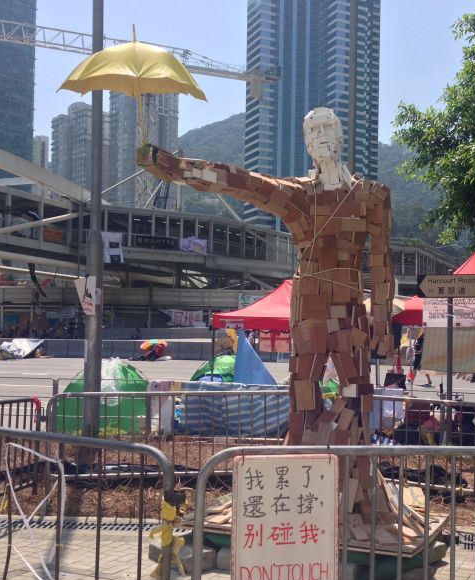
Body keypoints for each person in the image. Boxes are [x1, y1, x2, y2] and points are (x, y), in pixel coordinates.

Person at [139, 106, 394, 449]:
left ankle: (352, 470)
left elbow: (381, 262)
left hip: (348, 305)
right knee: (303, 389)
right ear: (306, 144)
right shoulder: (299, 195)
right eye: (313, 132)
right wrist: (179, 169)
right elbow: (241, 182)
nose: (321, 138)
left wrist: (382, 319)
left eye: (326, 129)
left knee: (356, 390)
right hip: (308, 304)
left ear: (340, 135)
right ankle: (305, 457)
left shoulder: (372, 196)